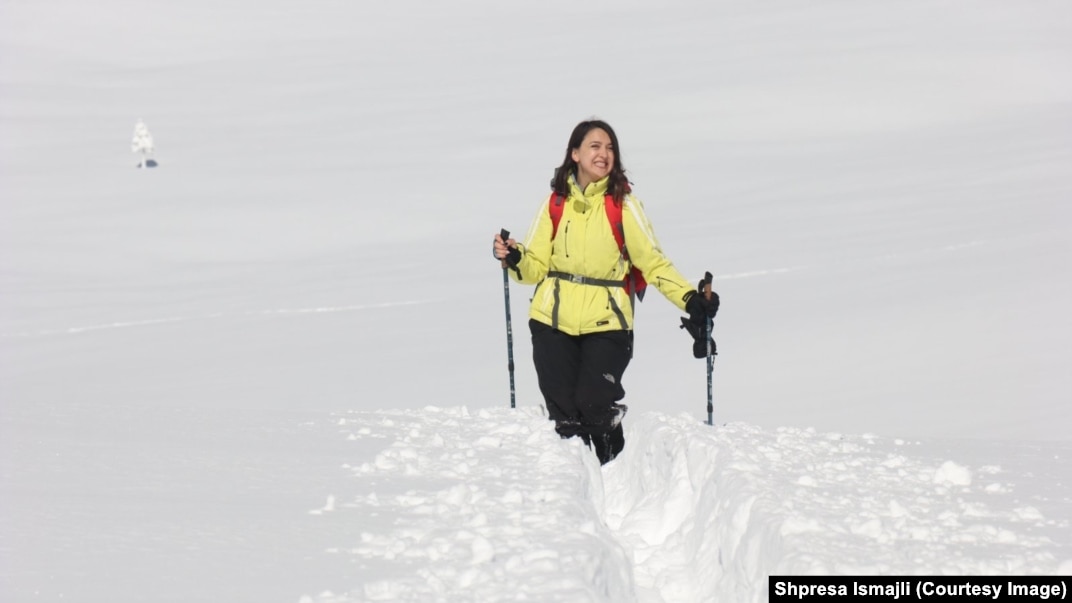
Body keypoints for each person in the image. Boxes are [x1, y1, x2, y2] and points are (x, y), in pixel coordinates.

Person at [493, 119, 718, 464]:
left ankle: (612, 472)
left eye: (610, 147)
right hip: (551, 321)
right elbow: (535, 266)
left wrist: (689, 298)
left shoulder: (623, 205)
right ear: (575, 154)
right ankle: (575, 490)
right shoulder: (555, 204)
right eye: (595, 146)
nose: (604, 154)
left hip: (607, 323)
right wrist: (516, 256)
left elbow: (653, 263)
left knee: (593, 403)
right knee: (564, 415)